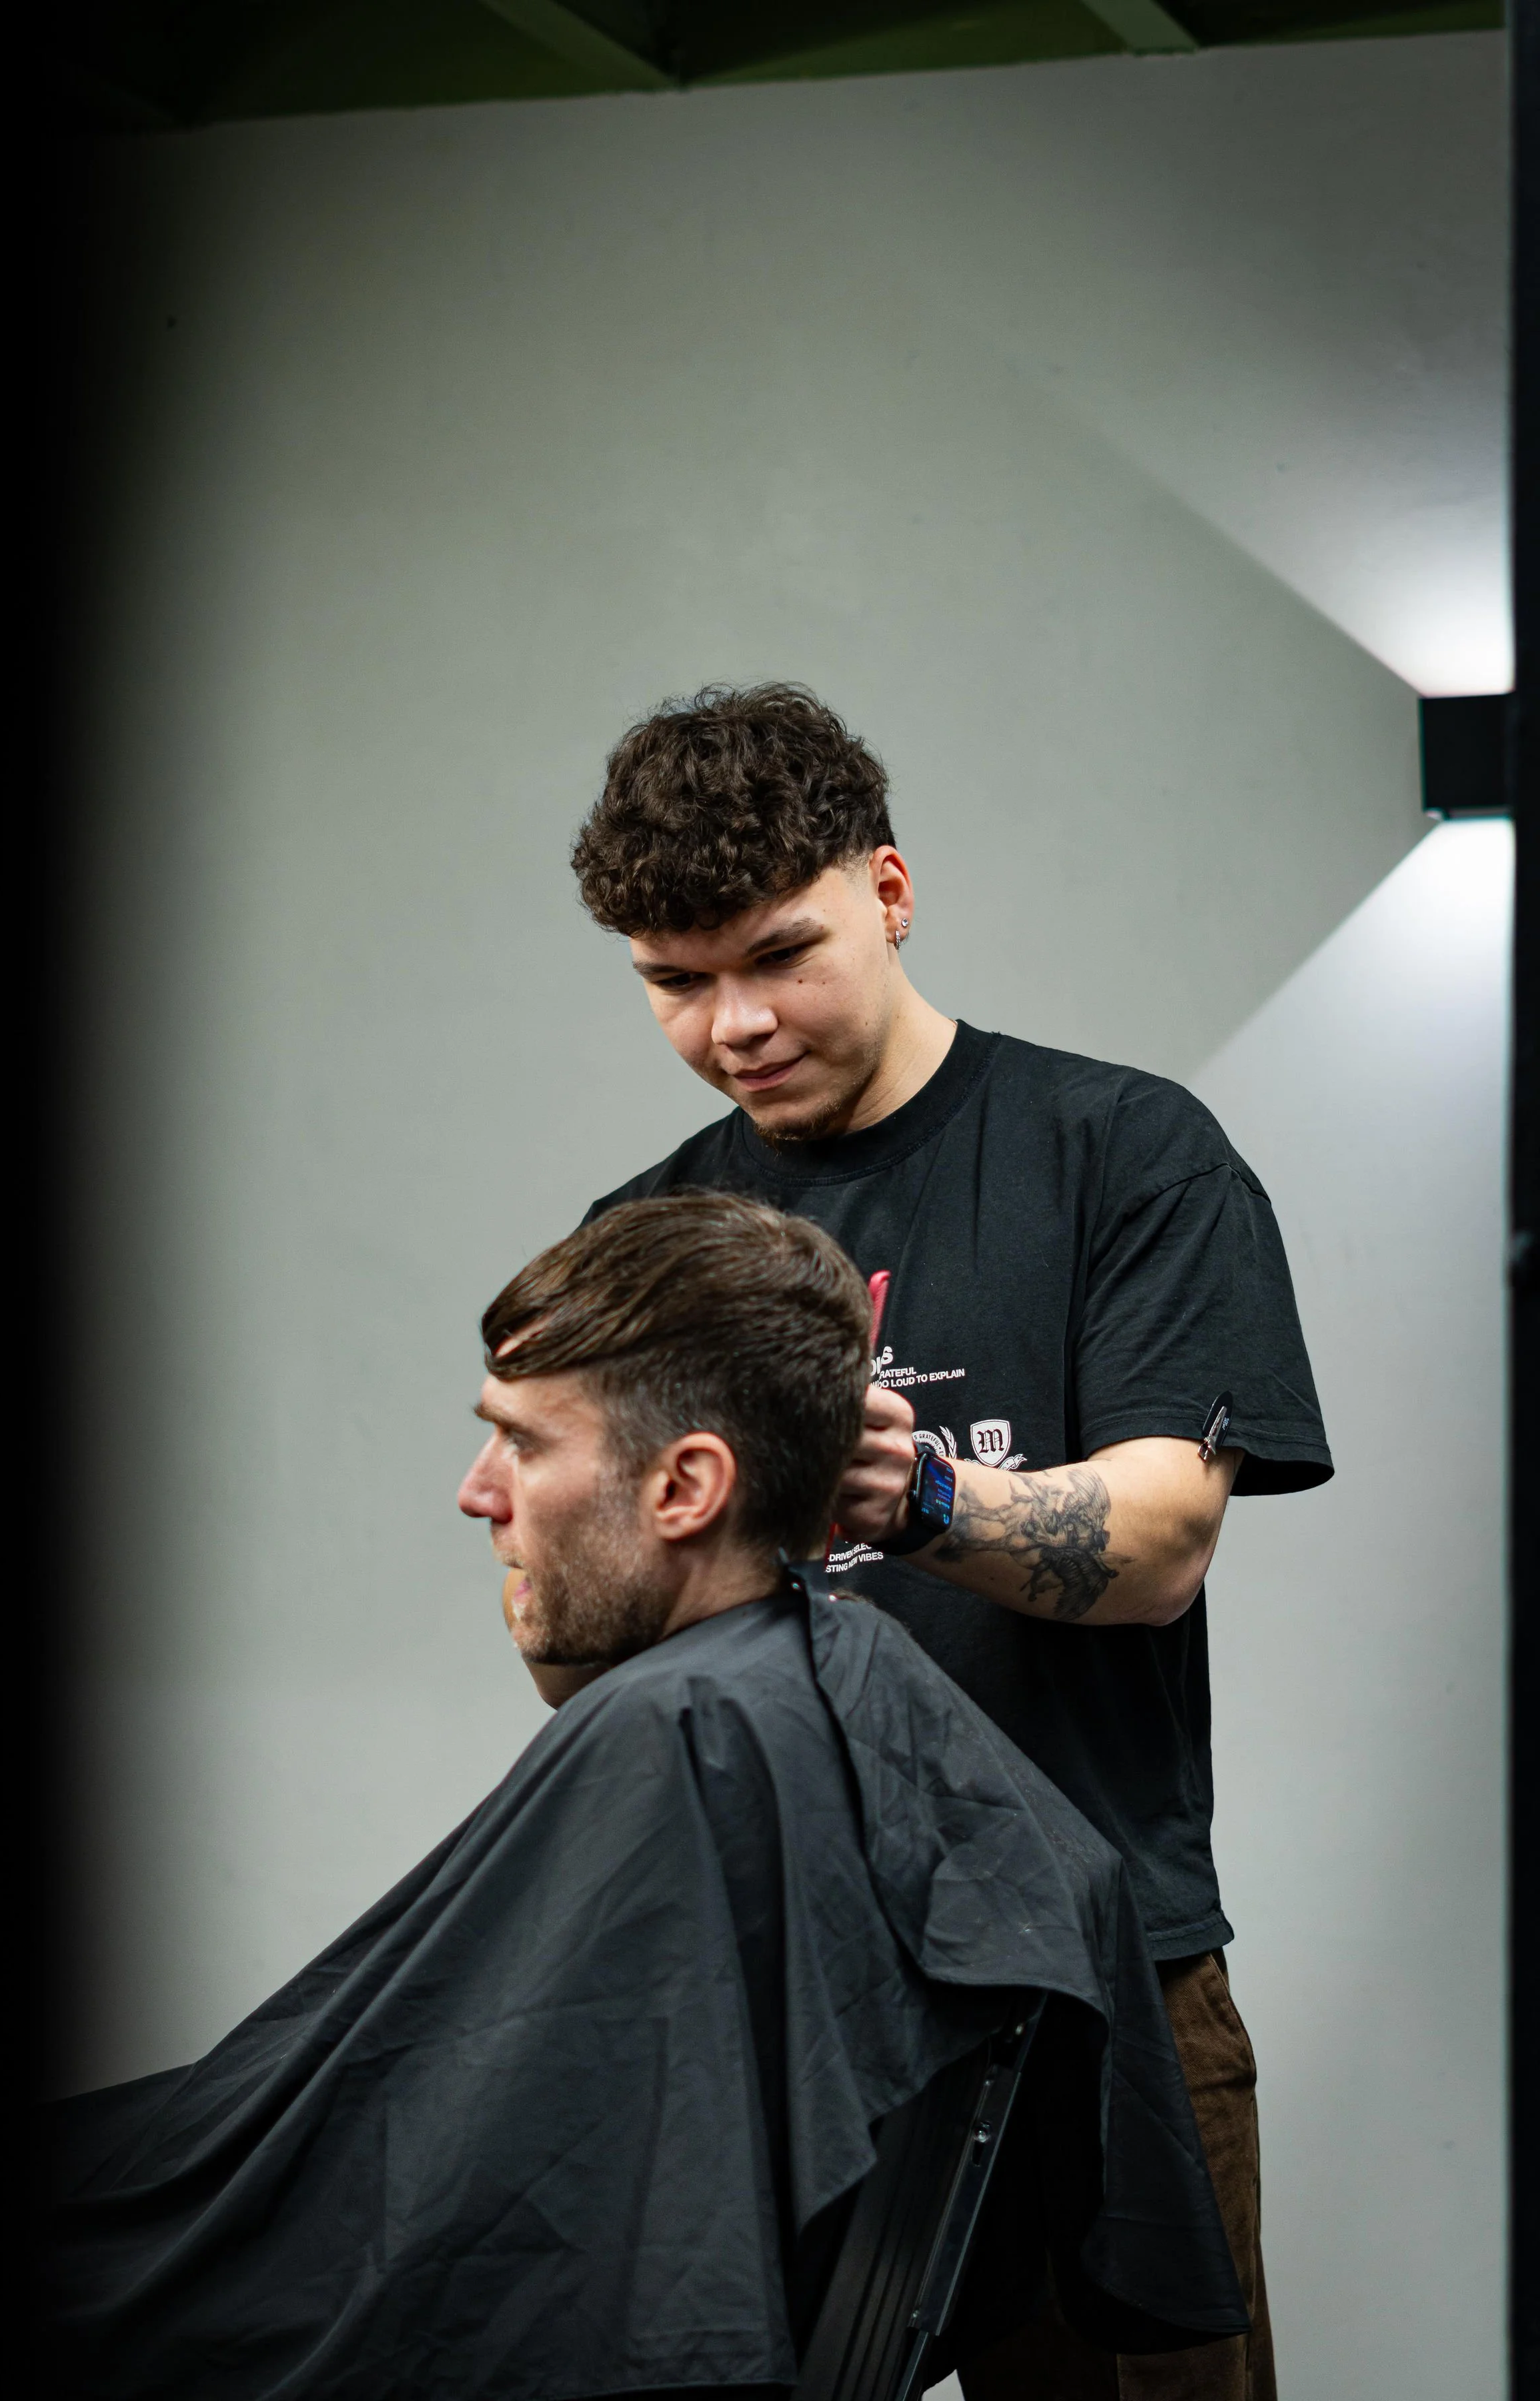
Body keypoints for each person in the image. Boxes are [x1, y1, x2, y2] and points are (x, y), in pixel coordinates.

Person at [49, 1194, 1246, 2401]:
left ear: (685, 1488)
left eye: (520, 1443)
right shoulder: (794, 1701)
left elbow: (448, 2204)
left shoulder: (693, 1731)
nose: (478, 1494)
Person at [562, 684, 1333, 2401]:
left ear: (891, 891)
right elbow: (600, 1664)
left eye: (781, 954)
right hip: (783, 1997)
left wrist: (912, 1498)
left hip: (1102, 1988)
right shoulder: (646, 1247)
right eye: (675, 983)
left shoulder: (1120, 1153)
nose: (735, 1025)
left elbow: (1159, 1545)